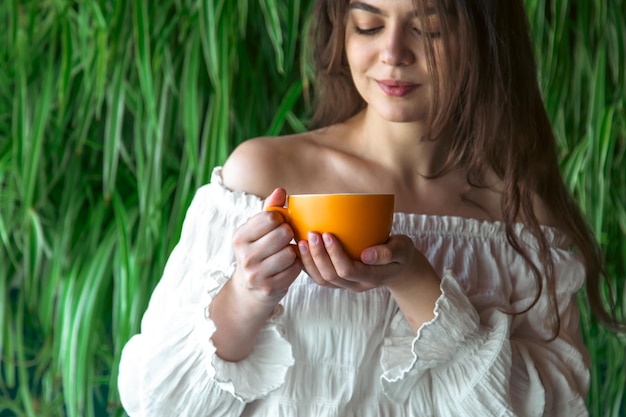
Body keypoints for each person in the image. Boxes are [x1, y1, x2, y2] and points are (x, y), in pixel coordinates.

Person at [117, 0, 620, 415]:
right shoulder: (262, 175)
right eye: (369, 25)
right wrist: (246, 294)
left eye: (430, 30)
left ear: (485, 40)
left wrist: (417, 284)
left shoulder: (519, 221)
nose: (393, 53)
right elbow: (155, 401)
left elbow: (552, 407)